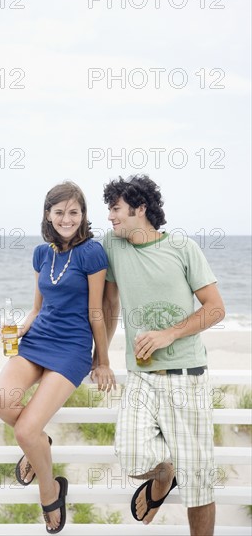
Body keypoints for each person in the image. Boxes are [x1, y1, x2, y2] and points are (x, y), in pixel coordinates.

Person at [100, 175, 225, 536]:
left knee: (199, 483)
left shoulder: (183, 247)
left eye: (116, 209)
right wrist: (101, 357)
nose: (110, 217)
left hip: (187, 375)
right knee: (131, 456)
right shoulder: (113, 244)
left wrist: (167, 335)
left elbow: (215, 308)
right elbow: (108, 304)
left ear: (141, 209)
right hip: (140, 376)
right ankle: (163, 474)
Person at [0, 181, 116, 534]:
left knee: (26, 428)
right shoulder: (41, 254)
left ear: (83, 215)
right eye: (59, 212)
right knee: (0, 401)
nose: (66, 218)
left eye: (73, 212)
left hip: (72, 348)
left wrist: (102, 360)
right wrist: (20, 330)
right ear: (48, 214)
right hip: (37, 339)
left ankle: (49, 488)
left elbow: (97, 311)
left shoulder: (92, 253)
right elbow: (36, 307)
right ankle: (40, 445)